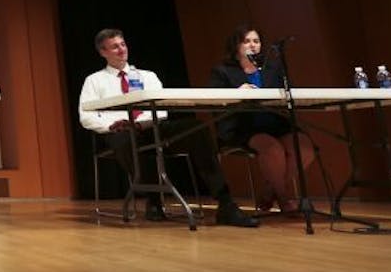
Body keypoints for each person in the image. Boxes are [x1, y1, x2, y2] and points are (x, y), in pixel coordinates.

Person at [78, 28, 257, 227]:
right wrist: (111, 125)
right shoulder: (94, 80)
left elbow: (162, 111)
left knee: (197, 129)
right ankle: (153, 200)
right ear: (103, 52)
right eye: (114, 47)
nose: (121, 50)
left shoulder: (147, 76)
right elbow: (85, 116)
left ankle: (225, 203)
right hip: (119, 133)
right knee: (126, 140)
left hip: (149, 128)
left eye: (123, 44)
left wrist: (139, 123)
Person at [208, 24, 310, 213]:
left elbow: (289, 93)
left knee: (304, 148)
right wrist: (236, 93)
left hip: (276, 123)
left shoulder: (273, 68)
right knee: (273, 150)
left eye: (256, 41)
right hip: (242, 127)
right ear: (236, 46)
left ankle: (269, 190)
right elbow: (214, 101)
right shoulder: (222, 71)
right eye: (247, 41)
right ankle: (284, 198)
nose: (253, 45)